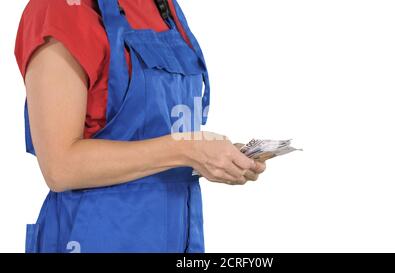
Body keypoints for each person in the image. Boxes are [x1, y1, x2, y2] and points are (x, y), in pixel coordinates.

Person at [15, 0, 266, 253]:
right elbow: (60, 167)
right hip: (94, 238)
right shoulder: (60, 8)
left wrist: (214, 158)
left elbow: (162, 137)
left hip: (178, 235)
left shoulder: (164, 7)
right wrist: (188, 150)